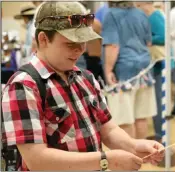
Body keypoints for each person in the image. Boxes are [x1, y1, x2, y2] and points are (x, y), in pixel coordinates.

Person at [1, 2, 165, 171]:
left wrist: (133, 145)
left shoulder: (85, 78)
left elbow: (108, 130)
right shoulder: (23, 87)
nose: (80, 50)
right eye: (71, 43)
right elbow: (37, 160)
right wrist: (105, 159)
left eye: (84, 42)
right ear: (43, 39)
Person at [102, 1, 157, 139]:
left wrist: (108, 70)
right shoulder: (141, 14)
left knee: (124, 119)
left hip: (123, 71)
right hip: (144, 69)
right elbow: (149, 42)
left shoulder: (111, 15)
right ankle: (141, 158)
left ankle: (130, 158)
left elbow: (113, 46)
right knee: (141, 117)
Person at [135, 1, 165, 143]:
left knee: (158, 98)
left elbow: (164, 36)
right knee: (157, 98)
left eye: (139, 5)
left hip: (158, 62)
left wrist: (147, 40)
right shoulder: (151, 16)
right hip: (154, 63)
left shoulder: (155, 16)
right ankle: (159, 132)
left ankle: (160, 134)